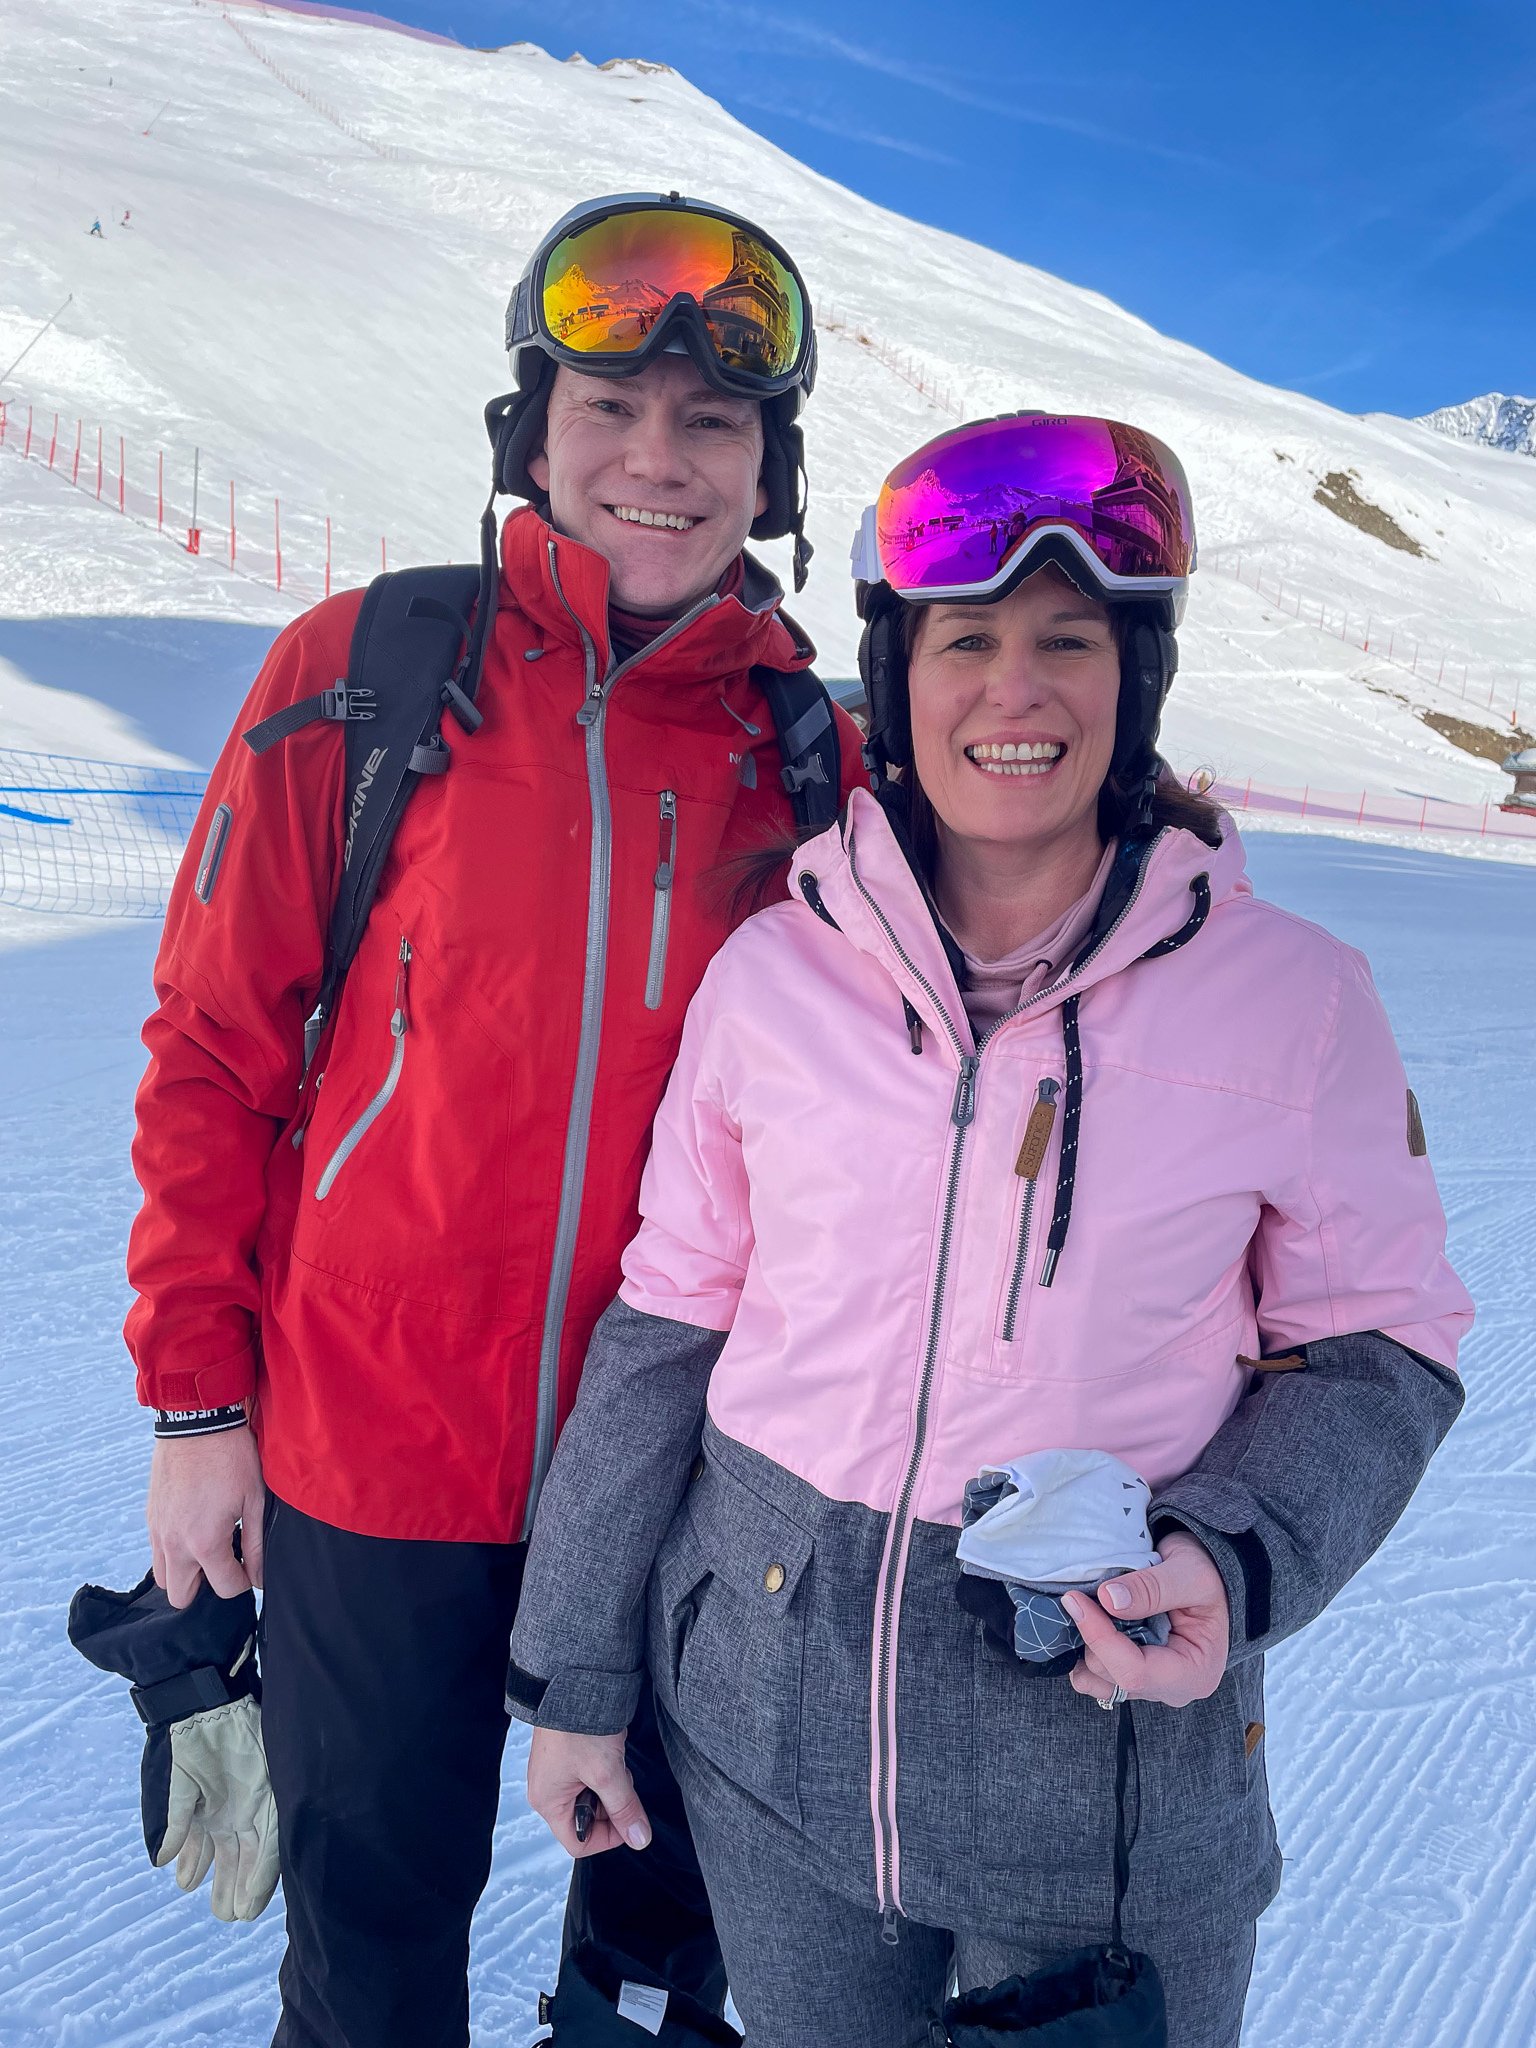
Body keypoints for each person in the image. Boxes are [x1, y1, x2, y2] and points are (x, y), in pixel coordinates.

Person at [507, 413, 1473, 2047]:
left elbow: (1382, 1345)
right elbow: (669, 1325)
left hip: (1103, 1754)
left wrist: (1226, 1555)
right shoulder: (774, 976)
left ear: (1135, 679)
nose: (1014, 692)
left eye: (1068, 642)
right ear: (898, 681)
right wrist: (576, 1683)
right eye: (965, 642)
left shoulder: (1296, 1001)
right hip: (767, 1735)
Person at [125, 191, 865, 2048]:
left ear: (769, 470)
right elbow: (214, 1050)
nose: (657, 462)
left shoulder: (817, 759)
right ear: (532, 433)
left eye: (713, 422)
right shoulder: (369, 671)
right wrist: (199, 1412)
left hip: (685, 1477)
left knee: (672, 1954)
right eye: (609, 408)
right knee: (371, 1959)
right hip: (372, 1454)